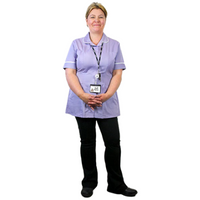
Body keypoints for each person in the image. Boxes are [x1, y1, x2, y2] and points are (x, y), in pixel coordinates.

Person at [63, 2, 137, 198]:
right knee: (87, 143)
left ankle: (116, 185)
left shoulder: (115, 45)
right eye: (93, 17)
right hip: (81, 101)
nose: (97, 20)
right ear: (86, 21)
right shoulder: (76, 44)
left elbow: (117, 73)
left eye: (101, 17)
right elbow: (70, 72)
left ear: (105, 20)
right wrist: (82, 95)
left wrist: (108, 94)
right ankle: (89, 183)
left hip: (107, 101)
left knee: (113, 143)